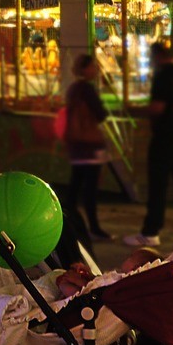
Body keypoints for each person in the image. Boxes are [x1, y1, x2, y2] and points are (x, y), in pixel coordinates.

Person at [124, 41, 173, 247]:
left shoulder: (162, 76)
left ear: (158, 56)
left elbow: (158, 108)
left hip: (167, 132)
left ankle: (151, 231)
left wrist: (134, 110)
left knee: (158, 182)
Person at [62, 53, 112, 244]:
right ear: (84, 69)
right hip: (90, 147)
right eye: (92, 67)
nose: (95, 70)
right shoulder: (88, 90)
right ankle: (94, 227)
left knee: (75, 186)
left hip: (76, 146)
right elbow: (100, 114)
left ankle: (68, 224)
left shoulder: (73, 89)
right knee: (89, 189)